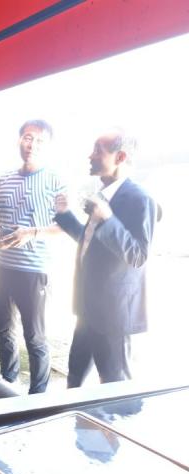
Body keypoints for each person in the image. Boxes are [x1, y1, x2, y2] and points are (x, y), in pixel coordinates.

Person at [54, 128, 157, 388]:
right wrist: (65, 215)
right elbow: (92, 243)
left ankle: (114, 419)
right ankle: (73, 414)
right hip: (87, 308)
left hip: (112, 315)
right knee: (74, 377)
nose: (90, 156)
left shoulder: (139, 198)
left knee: (114, 386)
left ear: (120, 157)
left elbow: (138, 255)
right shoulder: (104, 194)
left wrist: (108, 218)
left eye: (98, 151)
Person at [0, 119, 65, 394]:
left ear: (48, 146)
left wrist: (32, 233)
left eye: (40, 141)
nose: (32, 145)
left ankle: (38, 396)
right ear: (19, 140)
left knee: (35, 336)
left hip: (34, 270)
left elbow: (67, 226)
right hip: (2, 267)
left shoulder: (55, 181)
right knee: (2, 329)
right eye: (28, 138)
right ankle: (8, 383)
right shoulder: (3, 179)